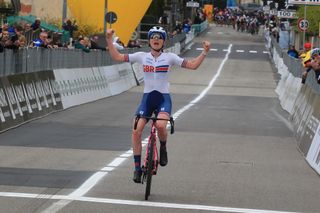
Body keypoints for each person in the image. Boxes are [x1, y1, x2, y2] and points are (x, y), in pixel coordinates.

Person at [106, 26, 210, 183]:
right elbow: (118, 57)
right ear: (149, 40)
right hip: (147, 100)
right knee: (136, 131)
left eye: (159, 37)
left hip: (163, 99)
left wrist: (204, 52)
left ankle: (163, 147)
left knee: (161, 126)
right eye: (153, 37)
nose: (156, 39)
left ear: (163, 41)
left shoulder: (170, 57)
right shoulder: (141, 56)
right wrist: (108, 39)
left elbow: (192, 65)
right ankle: (137, 168)